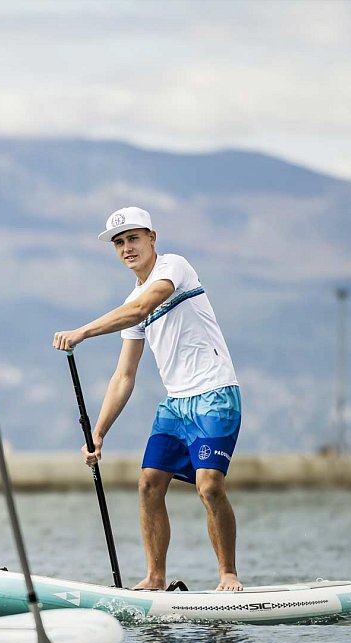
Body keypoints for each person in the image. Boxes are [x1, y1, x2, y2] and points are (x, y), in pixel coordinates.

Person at [51, 207, 243, 592]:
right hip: (176, 405)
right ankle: (156, 577)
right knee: (148, 485)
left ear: (152, 238)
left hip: (214, 395)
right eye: (119, 243)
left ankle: (228, 574)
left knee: (208, 486)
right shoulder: (131, 301)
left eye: (133, 238)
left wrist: (83, 332)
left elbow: (141, 308)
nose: (126, 248)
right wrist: (98, 432)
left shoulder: (174, 267)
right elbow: (124, 376)